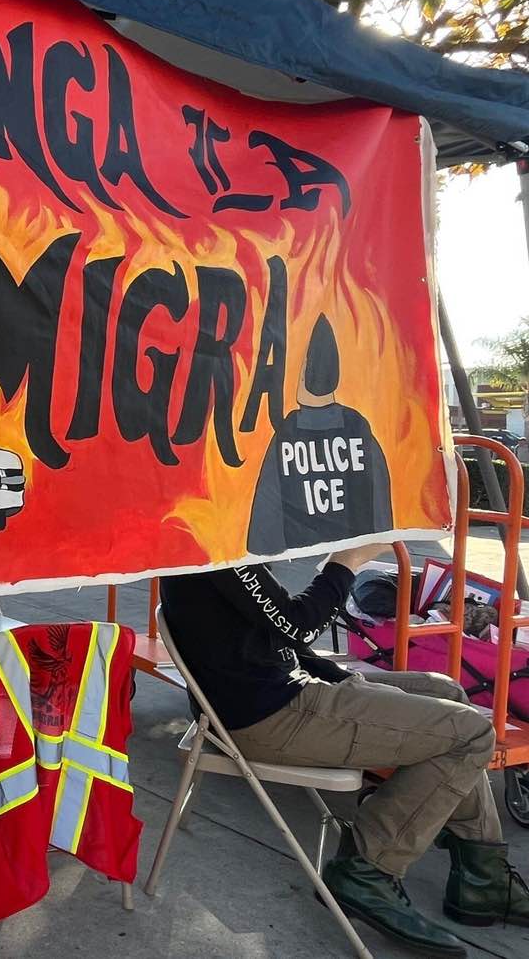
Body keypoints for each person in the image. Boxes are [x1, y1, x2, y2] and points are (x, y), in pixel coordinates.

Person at [161, 548, 528, 957]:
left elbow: (273, 637)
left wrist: (346, 679)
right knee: (471, 734)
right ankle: (368, 868)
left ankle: (483, 879)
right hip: (270, 715)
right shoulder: (215, 554)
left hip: (280, 691)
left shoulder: (218, 549)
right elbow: (297, 626)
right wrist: (347, 561)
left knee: (448, 693)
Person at [247, 314, 393, 555]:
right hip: (351, 555)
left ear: (305, 373)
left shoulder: (287, 432)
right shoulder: (358, 426)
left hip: (296, 555)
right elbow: (380, 501)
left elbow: (266, 513)